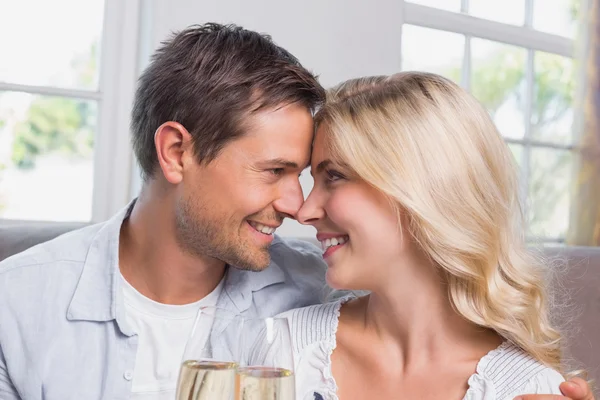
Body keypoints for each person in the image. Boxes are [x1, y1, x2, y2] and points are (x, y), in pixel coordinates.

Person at [0, 23, 592, 400]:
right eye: (275, 171)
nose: (298, 207)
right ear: (177, 152)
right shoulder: (17, 307)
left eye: (317, 176)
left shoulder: (309, 294)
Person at [279, 72, 593, 400]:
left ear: (421, 189)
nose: (304, 211)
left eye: (334, 176)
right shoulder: (287, 348)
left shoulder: (526, 387)